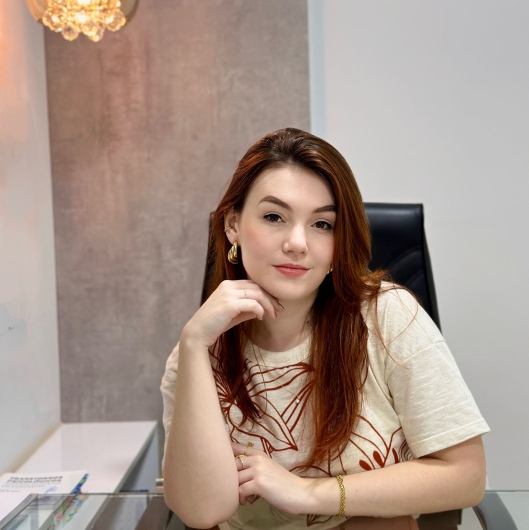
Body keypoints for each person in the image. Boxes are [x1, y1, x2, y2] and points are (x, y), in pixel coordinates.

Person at [160, 128, 489, 530]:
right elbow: (201, 512)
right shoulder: (198, 352)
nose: (298, 243)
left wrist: (307, 493)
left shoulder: (387, 317)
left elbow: (466, 476)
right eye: (274, 217)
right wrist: (194, 343)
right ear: (233, 225)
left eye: (322, 224)